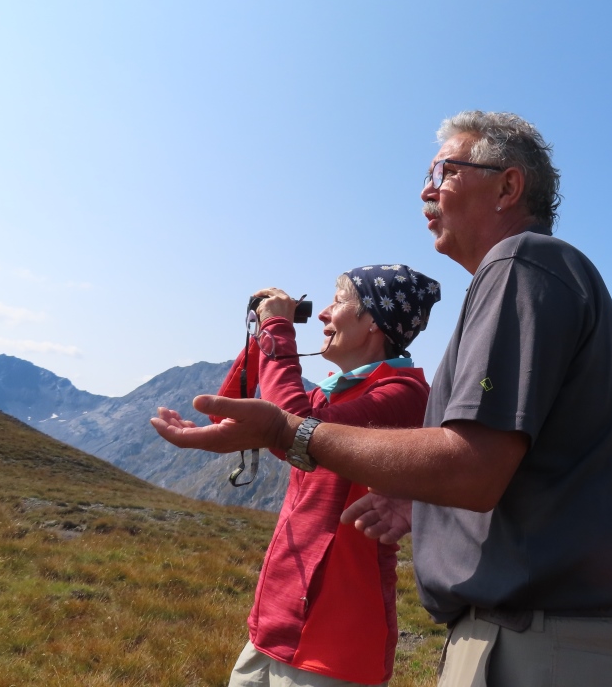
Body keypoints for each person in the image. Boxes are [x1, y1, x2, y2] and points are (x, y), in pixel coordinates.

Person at [153, 111, 612, 686]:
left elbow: (471, 467)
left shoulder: (521, 263)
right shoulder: (528, 277)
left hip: (543, 646)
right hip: (546, 641)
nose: (426, 190)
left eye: (444, 172)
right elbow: (510, 469)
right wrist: (425, 506)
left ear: (507, 187)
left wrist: (285, 430)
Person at [182, 266, 441, 687]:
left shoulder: (403, 393)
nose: (322, 313)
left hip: (336, 639)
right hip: (274, 623)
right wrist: (261, 336)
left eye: (338, 301)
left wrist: (278, 329)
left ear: (373, 321)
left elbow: (296, 430)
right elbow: (226, 413)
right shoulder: (328, 393)